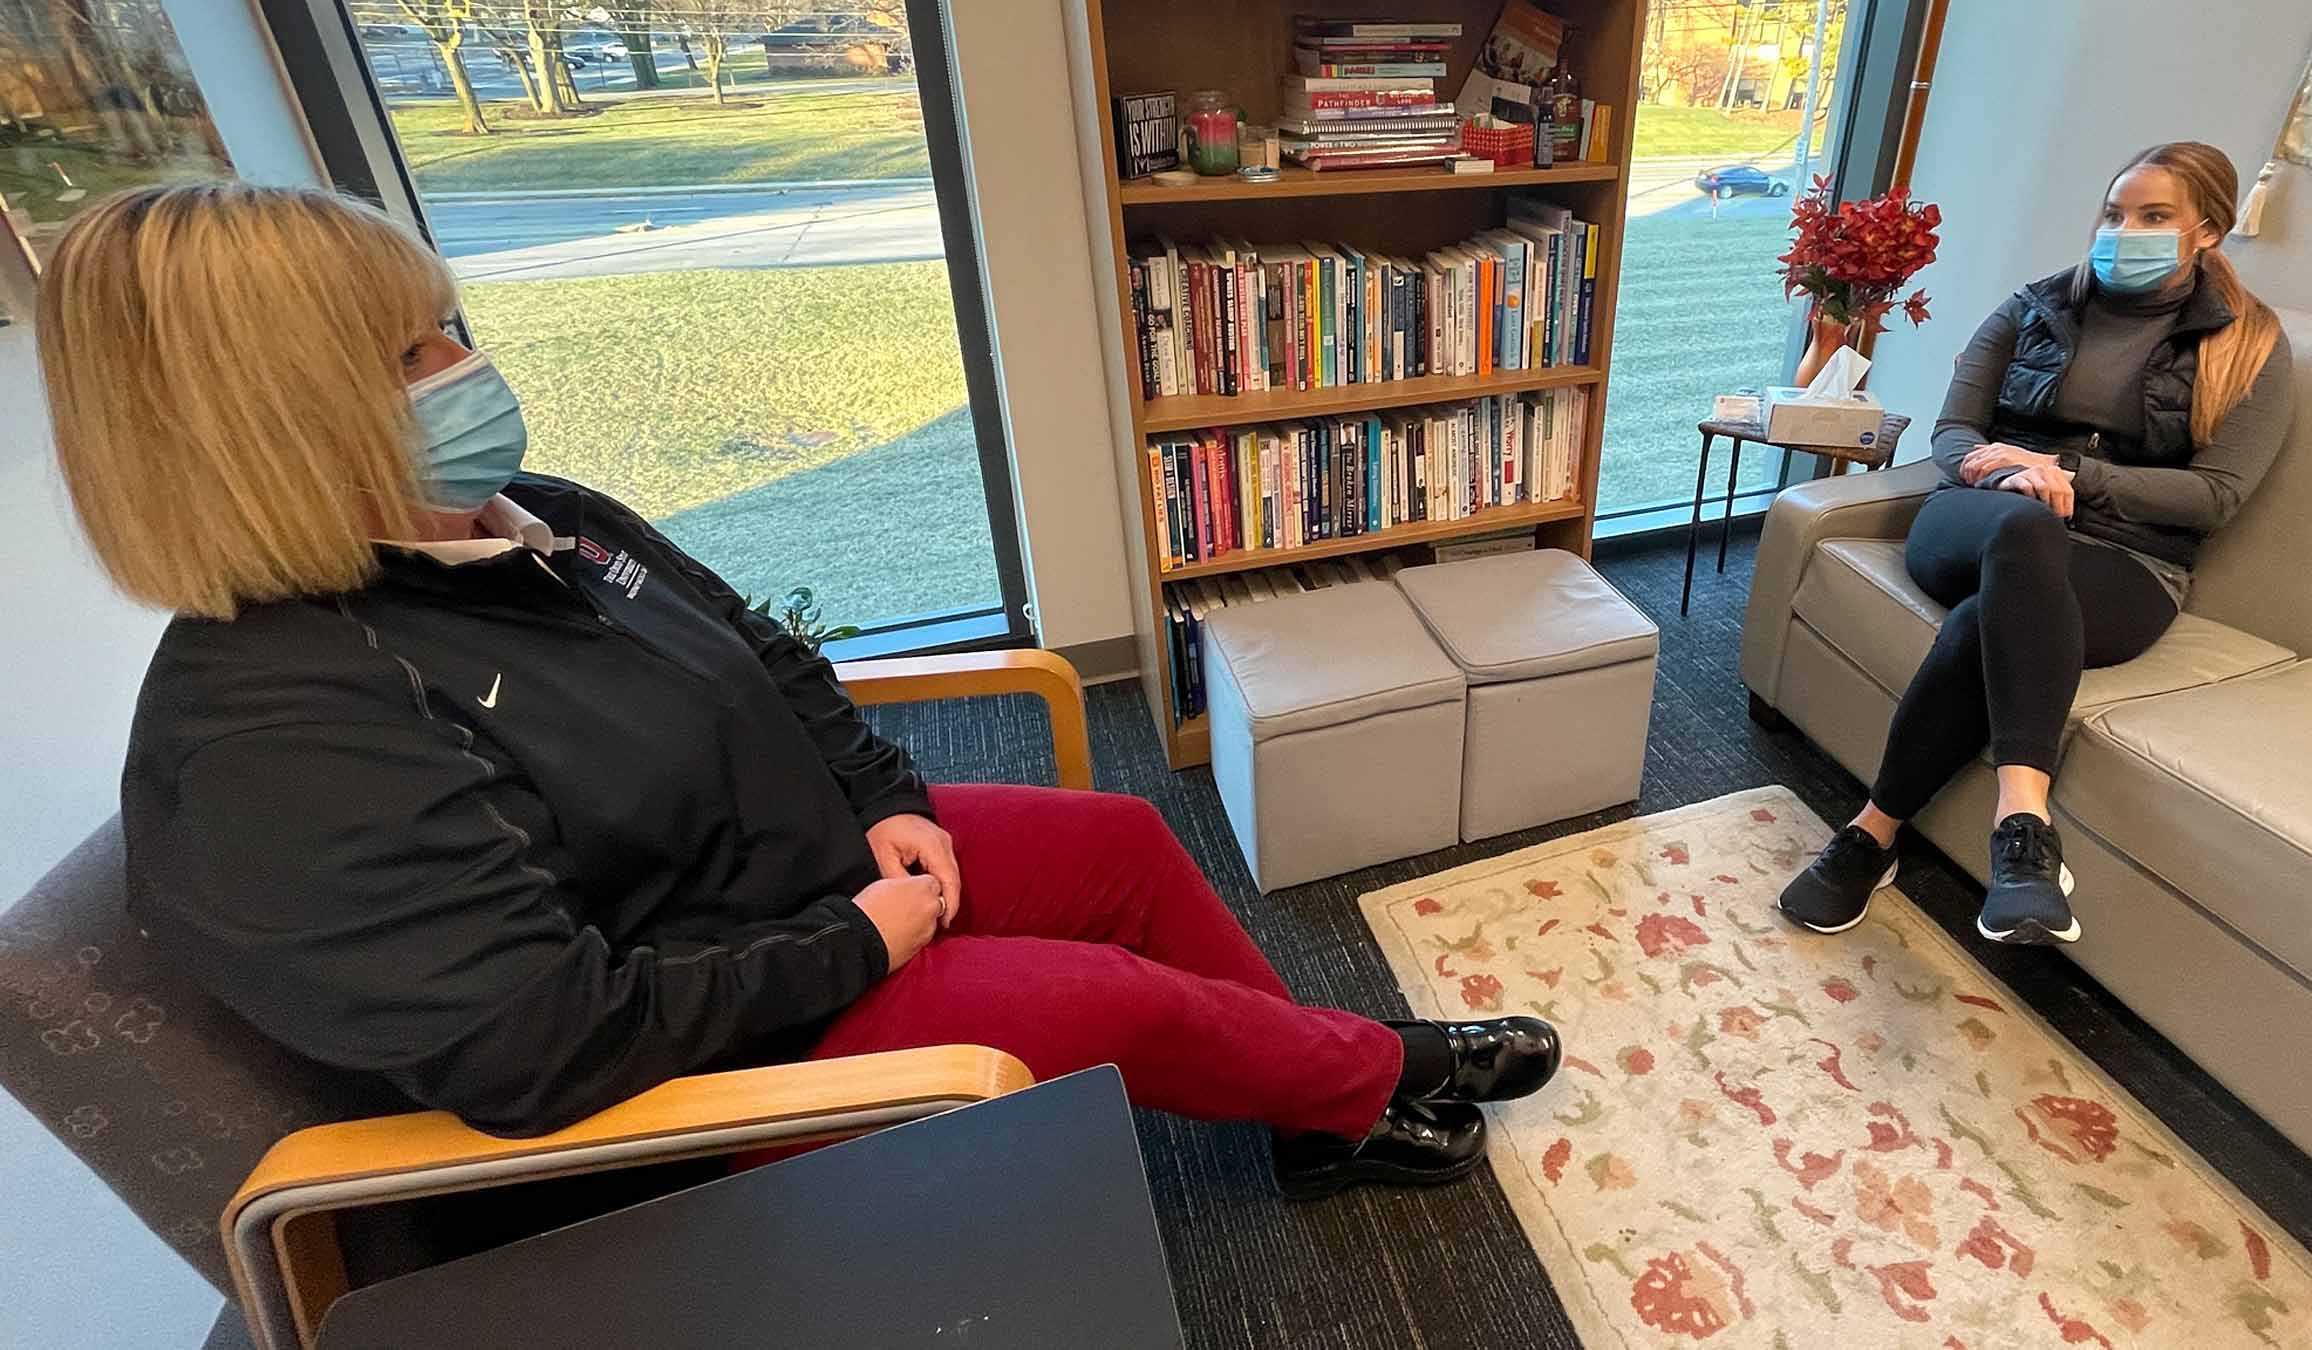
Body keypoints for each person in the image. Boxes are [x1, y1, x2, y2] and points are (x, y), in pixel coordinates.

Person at [40, 183, 1561, 1200]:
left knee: (1121, 847)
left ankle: (1312, 1106)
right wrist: (848, 941)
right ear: (275, 427)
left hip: (790, 884)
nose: (466, 365)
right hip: (703, 1051)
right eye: (410, 349)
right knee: (1097, 999)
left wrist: (885, 800)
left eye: (450, 322)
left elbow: (764, 655)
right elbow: (545, 1047)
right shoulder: (279, 733)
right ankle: (1373, 1073)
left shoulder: (536, 519)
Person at [1779, 142, 2292, 945]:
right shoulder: (2034, 306)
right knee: (2024, 530)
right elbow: (1954, 431)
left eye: (2155, 217)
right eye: (2116, 213)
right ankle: (2024, 821)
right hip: (1980, 517)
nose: (2126, 230)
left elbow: (2215, 497)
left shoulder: (2250, 345)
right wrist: (2006, 473)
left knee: (1987, 619)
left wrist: (2071, 475)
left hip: (2127, 562)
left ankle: (1872, 835)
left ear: (2209, 232)